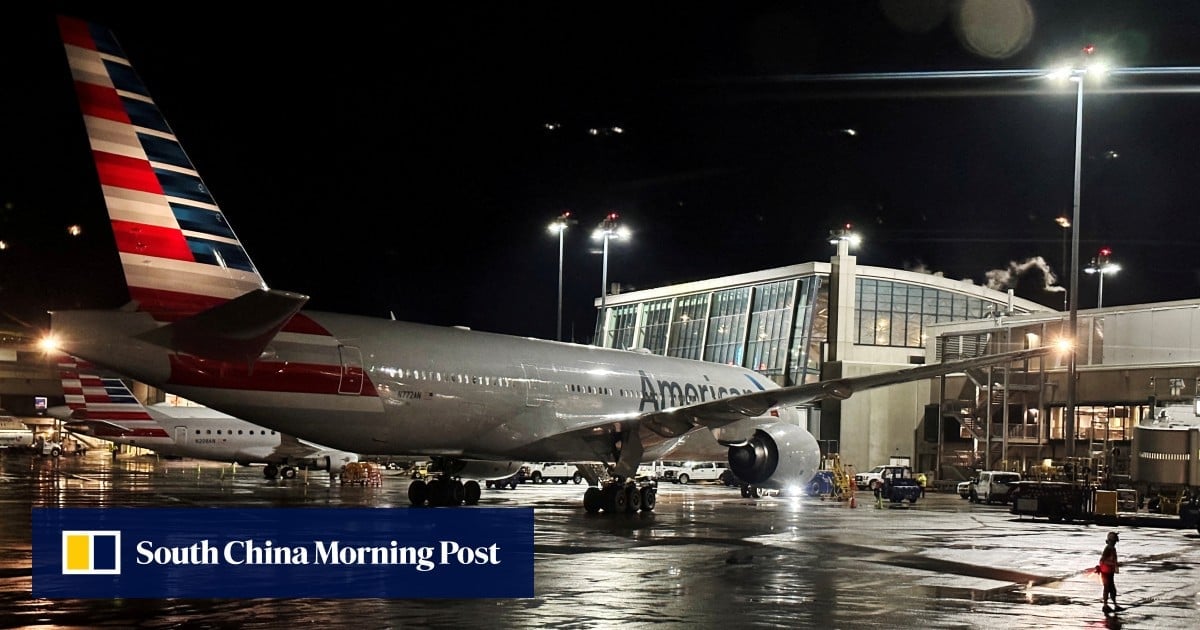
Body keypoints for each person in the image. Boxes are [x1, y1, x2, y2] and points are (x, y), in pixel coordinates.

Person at [1098, 531, 1123, 613]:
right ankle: (1105, 605)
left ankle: (1115, 605)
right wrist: (1114, 564)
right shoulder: (1108, 549)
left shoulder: (1112, 548)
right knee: (1107, 588)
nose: (1115, 543)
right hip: (1105, 572)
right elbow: (1102, 560)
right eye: (1114, 541)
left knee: (1112, 589)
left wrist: (1115, 565)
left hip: (1110, 571)